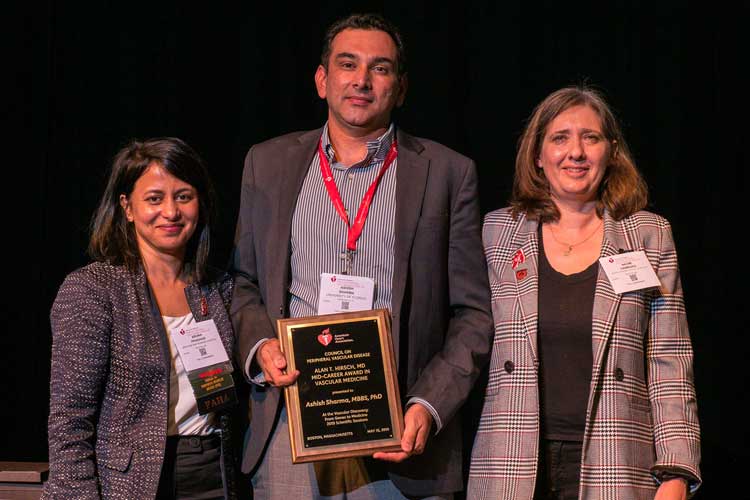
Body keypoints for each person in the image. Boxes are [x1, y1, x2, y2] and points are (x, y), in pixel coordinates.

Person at [230, 13, 493, 500]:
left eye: (381, 68)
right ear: (322, 79)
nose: (362, 80)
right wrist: (259, 347)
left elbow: (474, 315)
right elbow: (243, 281)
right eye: (348, 64)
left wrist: (429, 405)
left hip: (400, 431)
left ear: (401, 86)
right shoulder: (266, 164)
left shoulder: (448, 173)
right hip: (292, 421)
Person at [467, 86, 701, 500]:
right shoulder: (496, 233)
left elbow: (669, 360)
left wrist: (676, 472)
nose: (575, 152)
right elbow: (463, 336)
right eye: (560, 138)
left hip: (617, 459)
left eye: (590, 138)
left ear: (610, 151)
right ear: (538, 154)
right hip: (513, 460)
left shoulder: (648, 234)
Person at [43, 138, 239, 499]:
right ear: (127, 207)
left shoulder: (219, 289)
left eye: (183, 196)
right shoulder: (94, 290)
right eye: (154, 198)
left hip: (214, 478)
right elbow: (69, 422)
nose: (170, 211)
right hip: (130, 483)